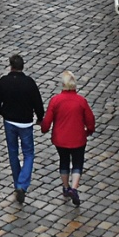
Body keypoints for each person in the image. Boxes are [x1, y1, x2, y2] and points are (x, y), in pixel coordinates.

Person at [0, 54, 45, 203]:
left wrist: (4, 113)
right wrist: (40, 118)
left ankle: (17, 184)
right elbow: (38, 105)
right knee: (28, 154)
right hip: (26, 124)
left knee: (13, 154)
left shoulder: (3, 82)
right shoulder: (29, 83)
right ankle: (22, 184)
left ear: (11, 66)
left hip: (10, 122)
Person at [41, 71, 96, 207]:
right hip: (78, 138)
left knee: (64, 161)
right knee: (77, 163)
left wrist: (44, 128)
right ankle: (74, 188)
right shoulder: (81, 101)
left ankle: (66, 187)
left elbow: (47, 121)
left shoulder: (56, 100)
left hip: (61, 140)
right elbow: (90, 120)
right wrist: (89, 131)